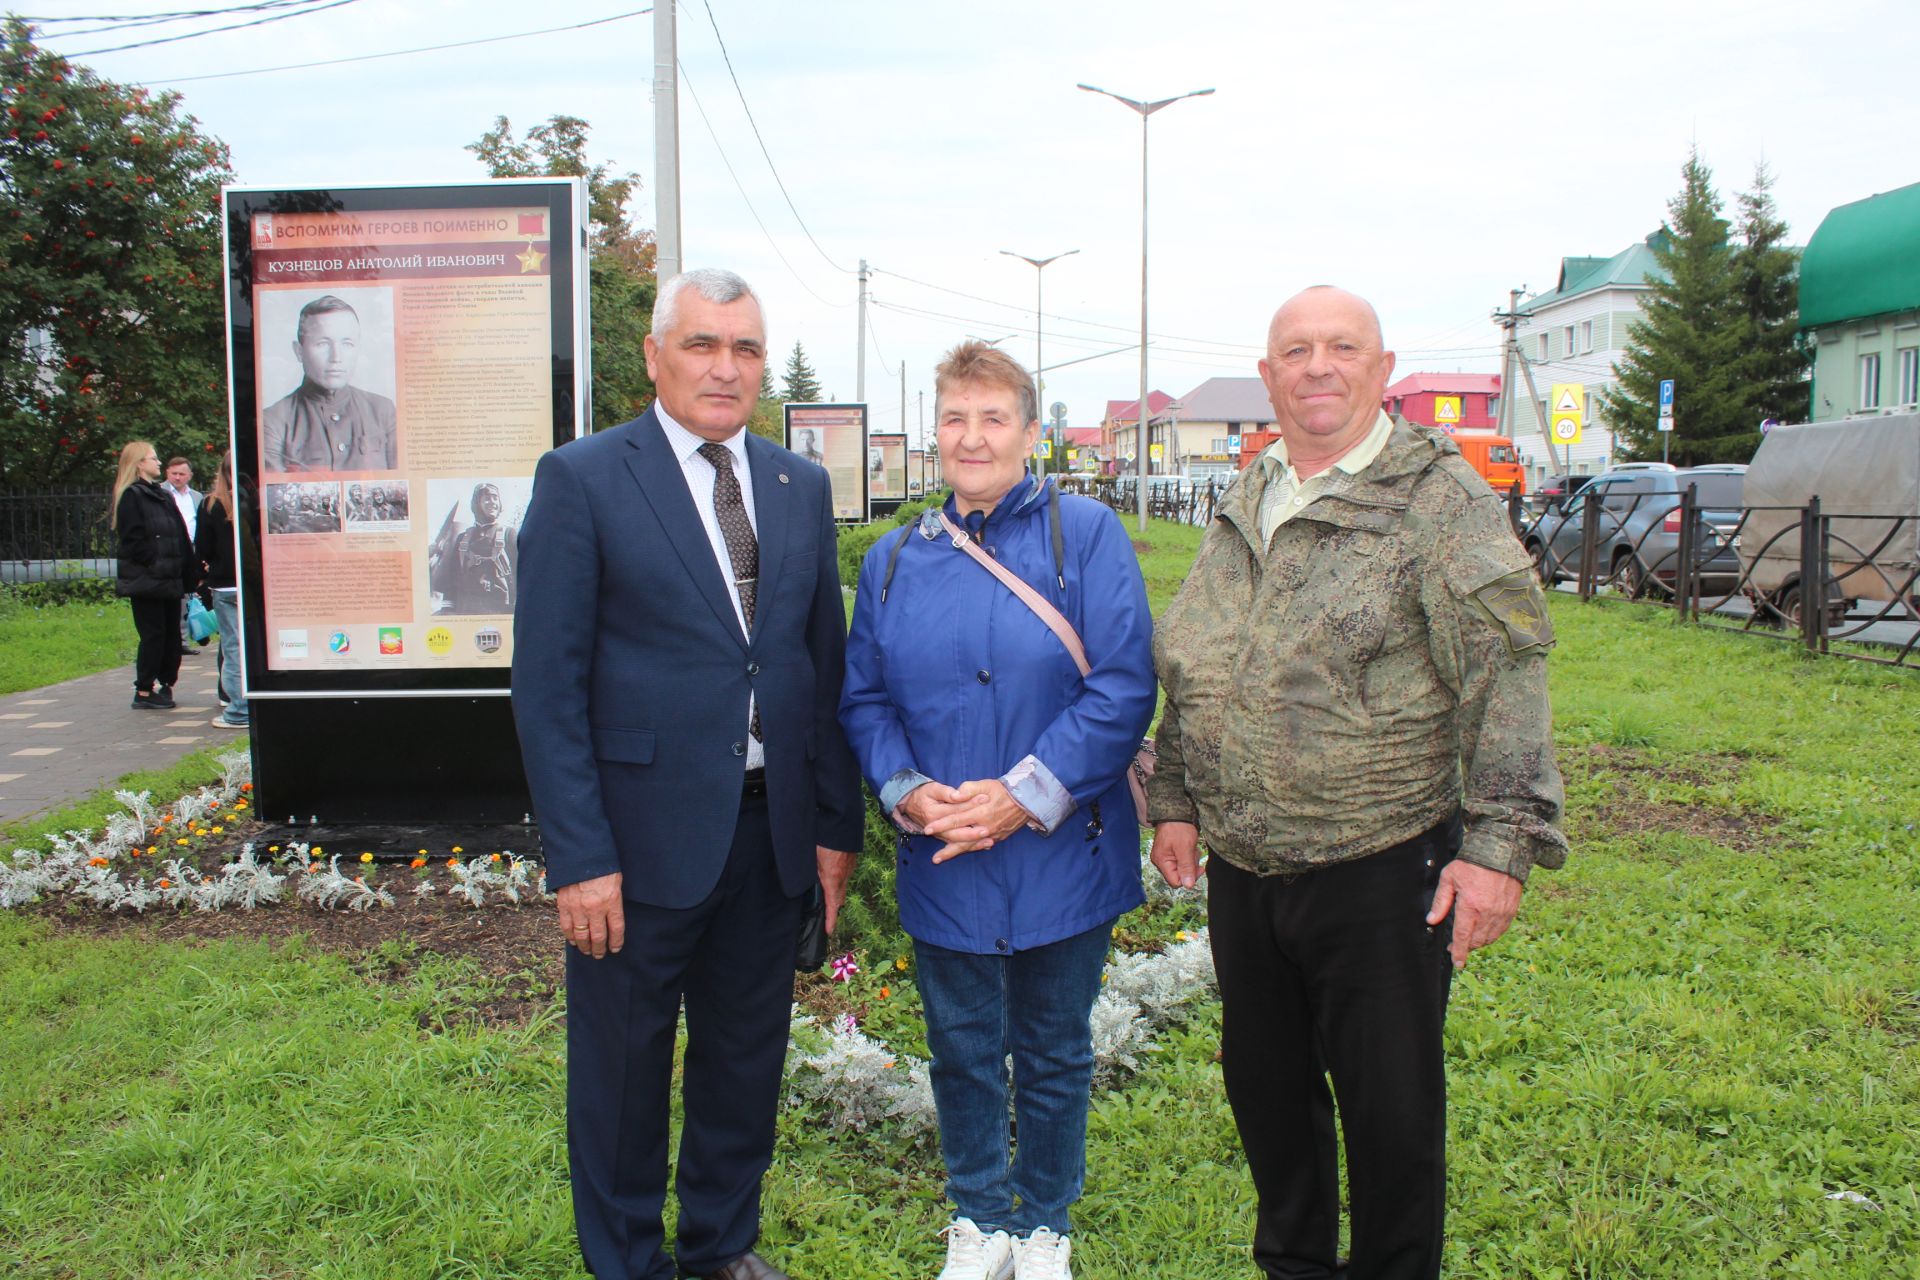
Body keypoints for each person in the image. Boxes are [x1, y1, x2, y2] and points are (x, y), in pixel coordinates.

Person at [1146, 286, 1566, 1280]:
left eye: (1344, 347)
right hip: (1248, 872)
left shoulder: (1437, 498)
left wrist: (1498, 847)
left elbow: (1507, 666)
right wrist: (1173, 795)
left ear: (1381, 370)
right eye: (1297, 350)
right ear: (1269, 375)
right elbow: (1204, 657)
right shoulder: (1250, 492)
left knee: (1391, 1122)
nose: (1319, 366)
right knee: (1271, 1100)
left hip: (1381, 871)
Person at [513, 267, 864, 1280]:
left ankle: (721, 1246)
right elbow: (546, 688)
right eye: (703, 343)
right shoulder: (583, 479)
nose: (726, 365)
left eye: (745, 348)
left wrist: (833, 826)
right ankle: (627, 1260)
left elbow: (817, 667)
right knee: (623, 1070)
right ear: (655, 355)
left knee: (745, 1057)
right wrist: (580, 856)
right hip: (636, 845)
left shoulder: (798, 485)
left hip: (769, 834)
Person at [840, 341, 1156, 1280]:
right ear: (933, 431)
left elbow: (1124, 688)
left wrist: (1021, 798)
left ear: (1029, 430)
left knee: (1056, 1050)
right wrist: (905, 790)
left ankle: (1045, 1223)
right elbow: (864, 699)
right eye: (954, 417)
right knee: (964, 1050)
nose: (971, 436)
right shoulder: (895, 559)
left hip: (1065, 850)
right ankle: (978, 1219)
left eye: (992, 417)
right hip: (944, 854)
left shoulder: (1086, 535)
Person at [261, 294, 398, 473]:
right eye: (323, 344)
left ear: (358, 348)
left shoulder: (382, 410)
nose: (336, 357)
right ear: (299, 351)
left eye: (347, 343)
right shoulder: (274, 420)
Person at [111, 441, 196, 710]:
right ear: (139, 464)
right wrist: (154, 561)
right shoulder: (132, 496)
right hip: (148, 580)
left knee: (171, 634)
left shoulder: (161, 494)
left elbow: (179, 534)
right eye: (153, 458)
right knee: (154, 634)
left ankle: (165, 682)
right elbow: (133, 540)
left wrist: (187, 569)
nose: (159, 463)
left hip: (169, 578)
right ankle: (144, 690)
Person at [195, 452, 253, 729]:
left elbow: (202, 548)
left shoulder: (211, 503)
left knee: (232, 648)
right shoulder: (255, 499)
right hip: (254, 582)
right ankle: (258, 701)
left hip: (225, 583)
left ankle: (238, 710)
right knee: (257, 646)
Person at [430, 482, 519, 615]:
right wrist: (448, 609)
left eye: (496, 498)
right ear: (477, 503)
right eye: (487, 498)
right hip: (467, 611)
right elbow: (453, 578)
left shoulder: (509, 535)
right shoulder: (462, 538)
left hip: (501, 612)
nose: (493, 502)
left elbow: (521, 575)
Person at [162, 457, 203, 647]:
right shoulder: (160, 492)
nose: (177, 477)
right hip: (170, 549)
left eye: (181, 474)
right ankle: (174, 639)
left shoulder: (196, 497)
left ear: (190, 476)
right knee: (173, 595)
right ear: (167, 473)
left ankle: (185, 639)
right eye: (174, 473)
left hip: (192, 549)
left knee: (189, 594)